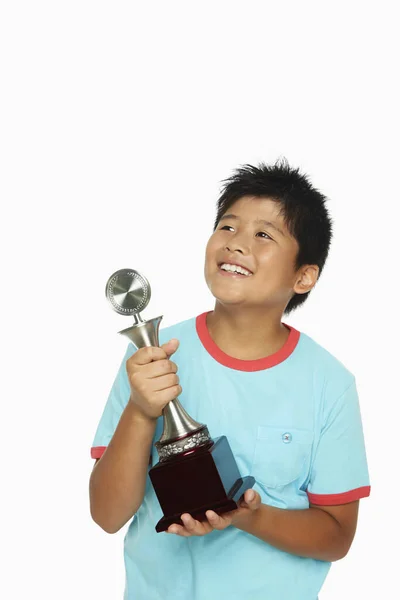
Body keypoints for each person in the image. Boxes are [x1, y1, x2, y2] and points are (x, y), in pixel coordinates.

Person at [89, 159, 370, 600]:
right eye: (228, 226)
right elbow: (106, 515)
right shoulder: (151, 355)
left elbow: (337, 536)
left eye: (263, 235)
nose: (236, 244)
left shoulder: (329, 384)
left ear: (304, 275)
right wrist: (142, 411)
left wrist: (246, 515)